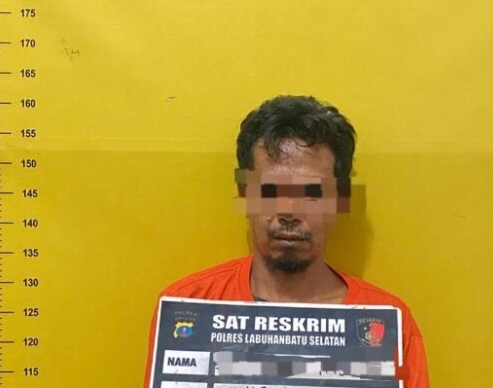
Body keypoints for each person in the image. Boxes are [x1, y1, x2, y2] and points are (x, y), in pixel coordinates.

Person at [143, 95, 429, 387]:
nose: (289, 212)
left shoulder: (390, 325)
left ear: (339, 200)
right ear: (245, 195)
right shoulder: (188, 307)